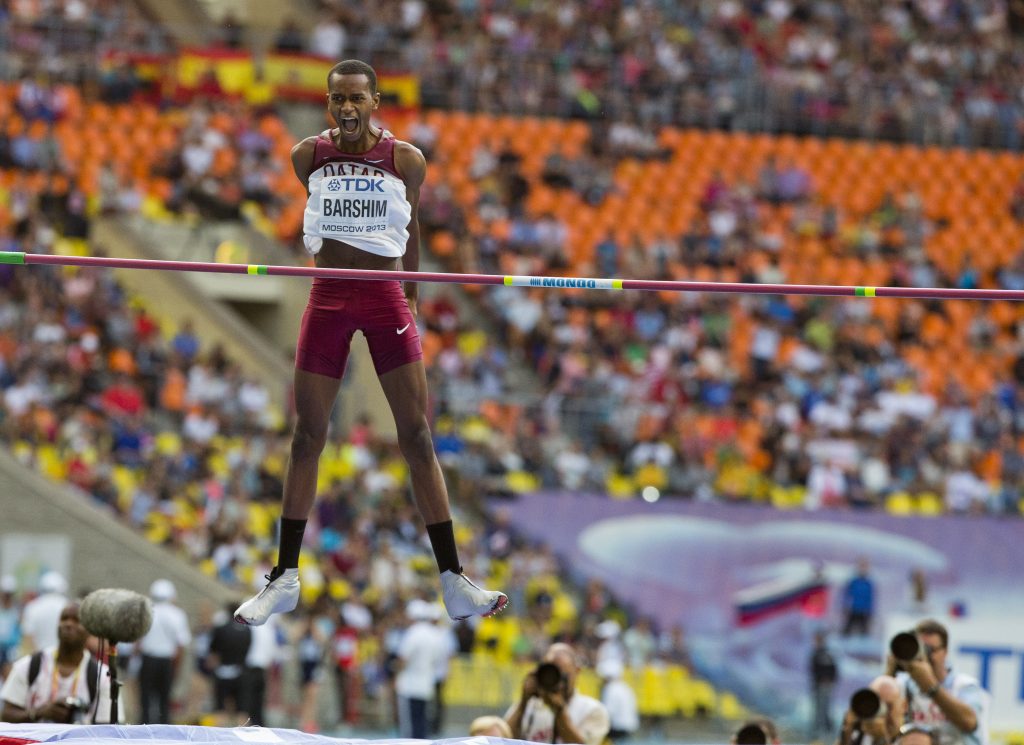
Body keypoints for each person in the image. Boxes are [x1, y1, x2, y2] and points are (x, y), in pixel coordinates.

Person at [234, 58, 506, 627]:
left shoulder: (406, 159)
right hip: (328, 297)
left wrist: (411, 295)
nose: (348, 108)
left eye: (357, 98)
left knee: (417, 438)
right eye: (338, 100)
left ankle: (453, 580)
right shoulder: (307, 155)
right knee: (307, 436)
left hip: (384, 299)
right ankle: (283, 577)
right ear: (329, 104)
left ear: (375, 101)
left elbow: (409, 231)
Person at [1, 602, 119, 723]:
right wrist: (40, 712)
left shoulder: (103, 677)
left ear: (89, 630)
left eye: (77, 621)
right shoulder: (28, 666)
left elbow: (107, 730)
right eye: (64, 618)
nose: (68, 624)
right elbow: (6, 715)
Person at [888, 619, 989, 745]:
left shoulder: (963, 685)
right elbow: (883, 725)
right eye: (921, 649)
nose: (925, 656)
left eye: (930, 649)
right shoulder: (902, 684)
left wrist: (931, 687)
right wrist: (890, 671)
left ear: (945, 652)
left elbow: (969, 722)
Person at [505, 642, 610, 745]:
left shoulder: (593, 710)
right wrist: (523, 702)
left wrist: (559, 710)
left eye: (563, 675)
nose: (556, 681)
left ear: (577, 671)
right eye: (551, 673)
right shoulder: (529, 706)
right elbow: (503, 738)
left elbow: (582, 743)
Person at [137, 579, 192, 724]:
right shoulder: (178, 614)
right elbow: (181, 645)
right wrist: (177, 668)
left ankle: (143, 729)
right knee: (164, 701)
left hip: (148, 660)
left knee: (145, 701)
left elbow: (138, 642)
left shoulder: (146, 612)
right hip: (167, 662)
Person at [395, 599, 446, 739]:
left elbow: (402, 659)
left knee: (409, 728)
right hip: (426, 685)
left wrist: (396, 670)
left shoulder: (413, 633)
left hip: (409, 686)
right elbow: (438, 660)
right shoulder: (435, 635)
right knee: (422, 725)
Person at [20, 571, 68, 652]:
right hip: (64, 656)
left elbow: (27, 637)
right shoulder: (67, 605)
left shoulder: (32, 607)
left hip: (39, 656)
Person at [597, 659, 639, 742]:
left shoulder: (610, 689)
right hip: (629, 727)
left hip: (618, 728)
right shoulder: (624, 687)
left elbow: (608, 712)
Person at [809, 630, 838, 741]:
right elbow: (813, 670)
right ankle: (818, 732)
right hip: (817, 686)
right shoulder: (816, 653)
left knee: (824, 709)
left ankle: (826, 731)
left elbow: (833, 670)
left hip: (825, 686)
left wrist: (828, 680)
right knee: (818, 709)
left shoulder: (827, 654)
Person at [842, 558, 875, 637]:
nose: (863, 568)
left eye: (865, 566)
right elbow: (846, 595)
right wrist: (845, 607)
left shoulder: (869, 583)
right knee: (846, 633)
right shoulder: (853, 581)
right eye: (861, 566)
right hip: (852, 610)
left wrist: (870, 613)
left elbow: (871, 599)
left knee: (864, 635)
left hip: (864, 612)